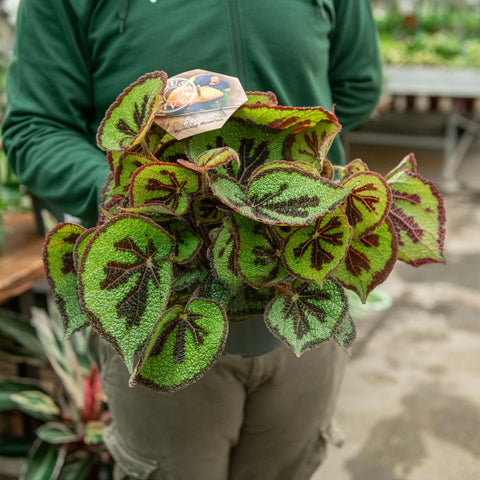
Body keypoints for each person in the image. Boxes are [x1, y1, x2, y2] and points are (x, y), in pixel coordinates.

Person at [2, 1, 382, 479]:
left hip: (299, 281)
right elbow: (34, 128)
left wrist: (283, 167)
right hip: (159, 306)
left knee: (290, 463)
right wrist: (139, 195)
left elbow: (357, 86)